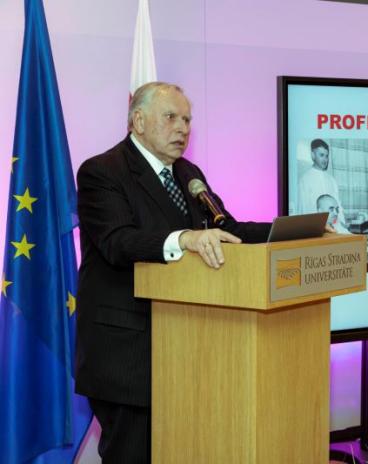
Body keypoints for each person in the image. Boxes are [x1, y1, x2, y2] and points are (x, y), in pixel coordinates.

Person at [75, 82, 272, 464]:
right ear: (138, 121)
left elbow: (226, 228)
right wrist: (185, 238)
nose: (183, 128)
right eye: (171, 117)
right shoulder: (102, 171)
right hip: (126, 355)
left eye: (187, 120)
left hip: (185, 348)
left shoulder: (187, 173)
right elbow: (118, 242)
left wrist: (292, 230)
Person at [297, 138, 342, 215]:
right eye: (321, 155)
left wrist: (342, 221)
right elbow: (302, 209)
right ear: (313, 155)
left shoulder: (331, 180)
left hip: (332, 222)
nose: (325, 159)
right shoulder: (304, 180)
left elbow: (338, 206)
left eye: (326, 156)